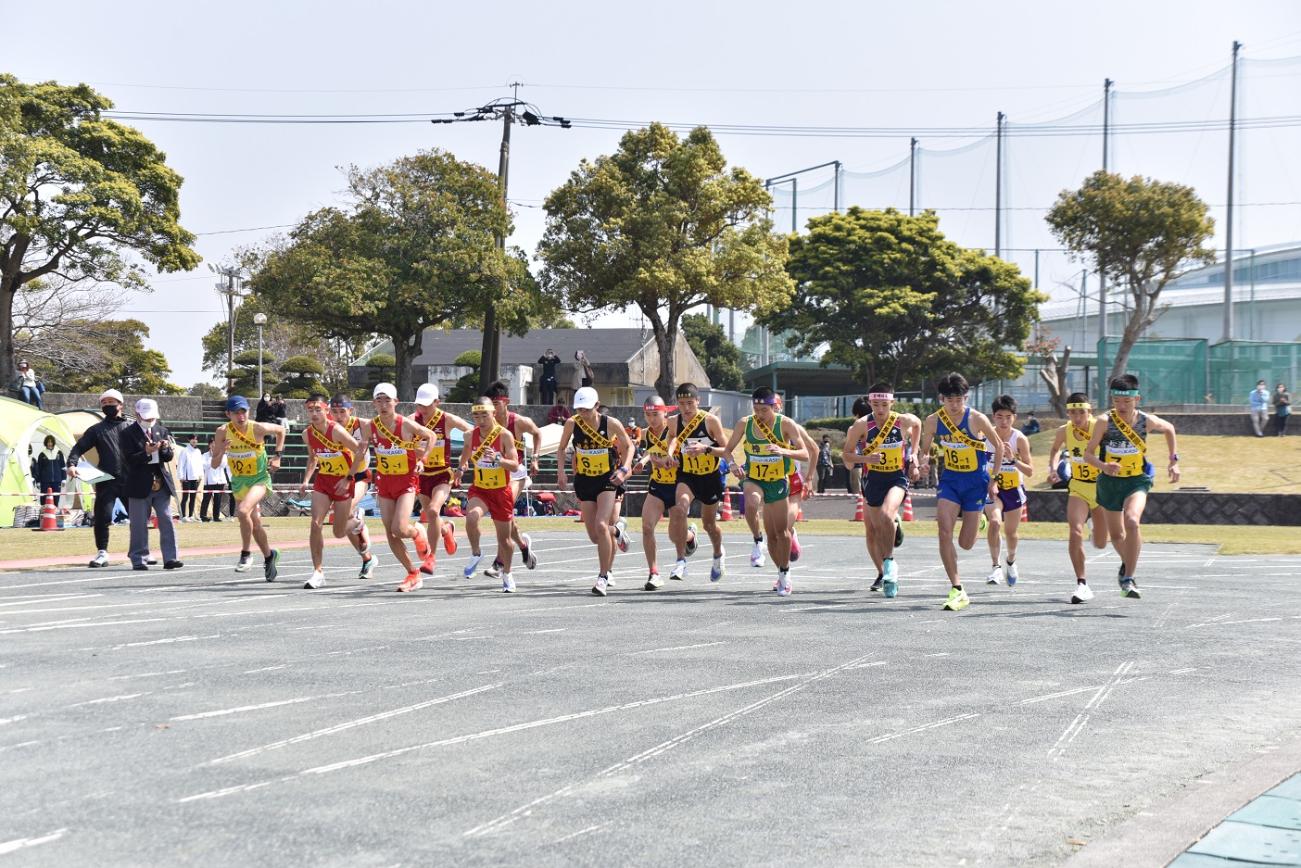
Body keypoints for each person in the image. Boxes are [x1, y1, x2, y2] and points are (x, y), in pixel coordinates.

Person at [1084, 373, 1180, 600]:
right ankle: (1126, 564)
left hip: (1136, 480)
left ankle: (1128, 578)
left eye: (1127, 401)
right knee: (1116, 535)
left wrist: (1173, 460)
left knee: (1133, 522)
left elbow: (1170, 429)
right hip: (1109, 482)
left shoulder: (1146, 421)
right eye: (1117, 401)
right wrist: (1103, 465)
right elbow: (1088, 454)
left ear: (1137, 399)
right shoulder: (1104, 422)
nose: (1122, 406)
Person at [918, 372, 1004, 612]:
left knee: (966, 543)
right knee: (943, 529)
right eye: (950, 400)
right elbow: (925, 449)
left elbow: (998, 446)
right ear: (941, 399)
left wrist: (994, 479)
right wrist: (922, 462)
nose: (955, 405)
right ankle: (957, 588)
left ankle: (981, 523)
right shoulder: (933, 421)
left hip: (976, 481)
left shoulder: (976, 419)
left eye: (959, 400)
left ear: (966, 398)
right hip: (951, 480)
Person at [720, 387, 811, 596]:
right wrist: (733, 464)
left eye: (764, 410)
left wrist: (783, 450)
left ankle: (784, 574)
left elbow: (805, 453)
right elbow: (727, 449)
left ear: (774, 407)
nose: (760, 414)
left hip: (777, 481)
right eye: (756, 409)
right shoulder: (746, 423)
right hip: (753, 478)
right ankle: (756, 541)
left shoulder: (785, 424)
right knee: (751, 502)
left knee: (780, 534)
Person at [843, 385, 921, 598]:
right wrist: (866, 459)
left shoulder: (902, 420)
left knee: (887, 513)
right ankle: (888, 564)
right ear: (870, 403)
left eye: (884, 405)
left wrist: (913, 455)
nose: (880, 409)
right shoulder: (861, 425)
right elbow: (847, 456)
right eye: (876, 404)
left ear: (892, 403)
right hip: (873, 479)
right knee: (877, 529)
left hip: (896, 477)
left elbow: (918, 424)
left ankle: (889, 566)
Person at [356, 382, 436, 593]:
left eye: (387, 401)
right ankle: (412, 573)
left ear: (396, 403)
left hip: (406, 481)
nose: (383, 405)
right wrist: (350, 474)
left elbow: (432, 436)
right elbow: (362, 449)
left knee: (399, 528)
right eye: (379, 401)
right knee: (390, 534)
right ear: (373, 403)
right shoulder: (369, 426)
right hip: (385, 481)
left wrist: (423, 459)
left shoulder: (406, 425)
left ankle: (417, 530)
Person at [555, 386, 633, 596]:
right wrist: (561, 472)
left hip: (607, 480)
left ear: (597, 406)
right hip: (584, 480)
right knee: (594, 535)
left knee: (601, 525)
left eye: (587, 410)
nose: (583, 414)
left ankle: (603, 576)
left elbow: (630, 446)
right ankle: (618, 532)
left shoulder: (611, 423)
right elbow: (561, 448)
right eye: (579, 409)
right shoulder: (572, 423)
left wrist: (624, 468)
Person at [297, 393, 374, 589]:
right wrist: (306, 480)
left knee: (338, 532)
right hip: (323, 481)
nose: (314, 413)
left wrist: (348, 477)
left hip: (344, 481)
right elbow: (313, 457)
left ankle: (357, 520)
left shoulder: (337, 430)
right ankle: (318, 572)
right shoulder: (307, 434)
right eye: (310, 410)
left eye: (318, 409)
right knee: (315, 523)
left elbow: (359, 451)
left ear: (325, 411)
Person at [208, 394, 286, 580]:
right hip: (239, 481)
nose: (241, 416)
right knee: (255, 524)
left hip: (259, 478)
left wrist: (277, 456)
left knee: (242, 511)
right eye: (236, 413)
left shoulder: (257, 428)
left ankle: (245, 554)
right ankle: (269, 556)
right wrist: (223, 451)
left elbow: (281, 430)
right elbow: (214, 464)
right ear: (228, 414)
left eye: (243, 411)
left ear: (248, 412)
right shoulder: (222, 432)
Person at [1047, 392, 1109, 603]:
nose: (1077, 416)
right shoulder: (1064, 431)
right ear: (1068, 413)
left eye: (1081, 412)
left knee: (1100, 543)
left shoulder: (1100, 428)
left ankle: (1094, 525)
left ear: (1089, 412)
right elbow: (1055, 449)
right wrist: (1053, 468)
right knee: (1074, 531)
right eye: (1073, 412)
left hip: (1101, 488)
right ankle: (1082, 584)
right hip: (1079, 488)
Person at [664, 383, 729, 583]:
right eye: (682, 403)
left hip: (709, 476)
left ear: (698, 401)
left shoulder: (710, 421)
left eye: (690, 403)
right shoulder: (674, 421)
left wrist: (705, 449)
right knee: (679, 508)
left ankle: (718, 554)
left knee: (709, 524)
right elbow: (672, 438)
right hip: (687, 474)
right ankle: (681, 561)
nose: (686, 408)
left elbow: (726, 449)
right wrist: (669, 453)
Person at [631, 396, 697, 590]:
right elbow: (651, 451)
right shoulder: (648, 433)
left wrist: (668, 460)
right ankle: (654, 573)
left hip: (678, 485)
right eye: (648, 415)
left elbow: (680, 453)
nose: (651, 419)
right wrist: (642, 462)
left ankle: (690, 537)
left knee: (674, 535)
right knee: (646, 526)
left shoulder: (675, 430)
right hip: (658, 485)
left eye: (655, 415)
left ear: (665, 413)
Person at [456, 399, 521, 592]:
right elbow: (466, 452)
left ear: (493, 413)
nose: (481, 419)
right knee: (472, 515)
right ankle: (476, 553)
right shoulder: (469, 435)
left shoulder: (504, 435)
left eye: (485, 415)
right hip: (480, 489)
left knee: (505, 540)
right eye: (476, 416)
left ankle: (507, 573)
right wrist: (460, 468)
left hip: (501, 491)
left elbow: (515, 465)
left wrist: (499, 459)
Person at [66, 389, 134, 568]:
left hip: (131, 480)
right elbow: (78, 448)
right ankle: (102, 552)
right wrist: (71, 464)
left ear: (121, 404)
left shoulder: (133, 426)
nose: (107, 406)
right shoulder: (96, 430)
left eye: (111, 402)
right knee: (102, 517)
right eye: (104, 403)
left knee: (138, 518)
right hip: (106, 480)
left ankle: (139, 551)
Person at [410, 383, 470, 577]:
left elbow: (471, 432)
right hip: (422, 475)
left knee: (435, 510)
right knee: (430, 516)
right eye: (420, 405)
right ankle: (446, 529)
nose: (423, 409)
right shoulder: (412, 420)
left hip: (442, 474)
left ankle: (431, 557)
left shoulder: (447, 419)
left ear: (437, 402)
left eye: (427, 405)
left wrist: (464, 460)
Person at [483, 382, 541, 577]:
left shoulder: (518, 422)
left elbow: (537, 433)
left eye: (496, 404)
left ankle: (499, 563)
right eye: (489, 404)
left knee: (503, 513)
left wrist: (535, 458)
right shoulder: (486, 424)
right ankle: (524, 547)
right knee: (506, 518)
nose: (492, 408)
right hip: (497, 473)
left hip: (517, 474)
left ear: (506, 402)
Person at [122, 399, 183, 571]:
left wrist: (164, 449)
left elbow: (168, 457)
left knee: (166, 519)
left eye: (152, 418)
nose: (150, 421)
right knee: (139, 523)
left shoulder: (161, 430)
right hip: (138, 482)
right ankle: (139, 558)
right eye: (146, 418)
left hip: (160, 481)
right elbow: (128, 460)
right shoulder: (127, 434)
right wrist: (146, 453)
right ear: (137, 414)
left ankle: (171, 557)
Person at [983, 395, 1034, 588]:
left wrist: (1013, 460)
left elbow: (1030, 471)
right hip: (993, 489)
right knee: (995, 522)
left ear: (1014, 417)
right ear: (993, 417)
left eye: (1007, 417)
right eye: (999, 417)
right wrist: (989, 481)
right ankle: (995, 567)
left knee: (1011, 532)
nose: (1003, 421)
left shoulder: (1019, 439)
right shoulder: (985, 436)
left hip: (1013, 488)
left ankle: (1011, 562)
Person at [328, 393, 375, 558]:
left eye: (342, 411)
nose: (339, 416)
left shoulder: (363, 425)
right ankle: (366, 558)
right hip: (339, 477)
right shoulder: (328, 427)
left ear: (351, 410)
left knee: (345, 510)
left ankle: (358, 521)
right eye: (334, 412)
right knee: (343, 517)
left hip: (360, 475)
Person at [177, 434, 205, 522]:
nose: (194, 441)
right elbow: (180, 464)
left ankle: (191, 515)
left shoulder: (198, 451)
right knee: (185, 497)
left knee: (193, 497)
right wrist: (181, 477)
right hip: (186, 478)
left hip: (196, 478)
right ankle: (183, 516)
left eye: (196, 439)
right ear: (189, 440)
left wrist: (200, 475)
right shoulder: (184, 451)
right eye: (193, 439)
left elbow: (200, 465)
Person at [200, 445, 231, 522]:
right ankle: (203, 516)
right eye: (212, 445)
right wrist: (212, 458)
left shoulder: (222, 454)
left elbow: (223, 465)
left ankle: (216, 517)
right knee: (206, 499)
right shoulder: (205, 455)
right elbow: (204, 466)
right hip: (209, 480)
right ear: (209, 446)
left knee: (218, 499)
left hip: (219, 480)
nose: (214, 447)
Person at [33, 435, 66, 504]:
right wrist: (38, 481)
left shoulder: (59, 453)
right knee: (44, 498)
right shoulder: (42, 454)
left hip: (57, 480)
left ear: (53, 443)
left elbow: (63, 466)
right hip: (45, 481)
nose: (50, 444)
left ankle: (55, 511)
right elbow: (38, 468)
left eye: (51, 442)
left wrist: (64, 479)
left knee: (56, 498)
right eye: (48, 442)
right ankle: (43, 512)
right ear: (46, 443)